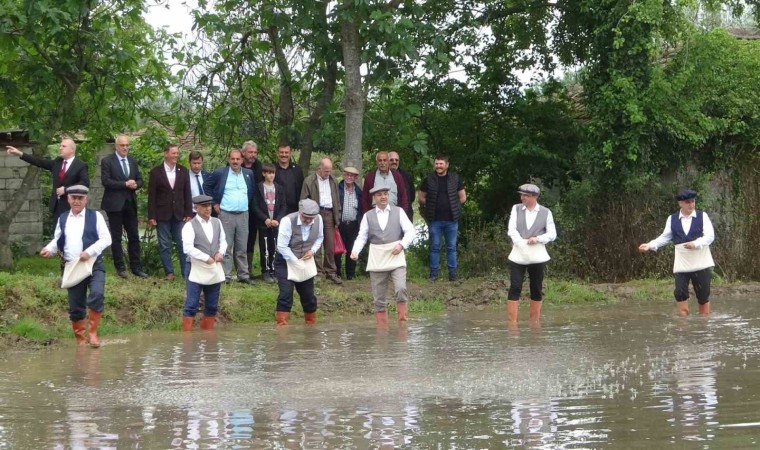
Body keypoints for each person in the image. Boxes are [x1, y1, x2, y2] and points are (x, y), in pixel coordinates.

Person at [39, 185, 111, 347]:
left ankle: (92, 333)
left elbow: (106, 239)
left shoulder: (96, 216)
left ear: (86, 200)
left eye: (80, 198)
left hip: (94, 265)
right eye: (74, 198)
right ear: (68, 199)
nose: (77, 201)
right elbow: (58, 241)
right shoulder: (63, 218)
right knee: (76, 306)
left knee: (97, 294)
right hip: (72, 267)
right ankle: (81, 340)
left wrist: (90, 251)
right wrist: (48, 249)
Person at [638, 189, 715, 316]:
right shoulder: (672, 219)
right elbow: (665, 237)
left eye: (693, 201)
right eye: (687, 202)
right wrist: (650, 245)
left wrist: (695, 243)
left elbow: (710, 236)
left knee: (703, 296)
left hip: (701, 263)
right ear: (680, 203)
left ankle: (704, 327)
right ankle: (683, 327)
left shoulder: (703, 216)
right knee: (680, 293)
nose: (691, 204)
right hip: (682, 264)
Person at [351, 186, 416, 325]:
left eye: (385, 194)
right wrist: (355, 251)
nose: (383, 197)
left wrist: (401, 245)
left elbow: (410, 231)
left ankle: (403, 324)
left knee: (401, 288)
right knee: (378, 297)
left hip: (396, 256)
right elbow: (362, 237)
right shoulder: (367, 216)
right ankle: (382, 331)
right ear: (374, 198)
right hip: (377, 259)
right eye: (380, 195)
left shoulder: (399, 212)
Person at [6, 138, 90, 227]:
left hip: (73, 206)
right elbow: (39, 162)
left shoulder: (80, 165)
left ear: (72, 150)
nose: (60, 148)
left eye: (63, 146)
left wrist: (66, 190)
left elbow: (85, 183)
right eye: (60, 146)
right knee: (57, 234)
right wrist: (20, 153)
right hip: (57, 206)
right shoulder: (58, 162)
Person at [506, 183, 557, 323]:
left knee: (536, 288)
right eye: (521, 195)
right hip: (518, 253)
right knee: (515, 286)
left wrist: (538, 239)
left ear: (535, 197)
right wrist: (521, 243)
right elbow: (512, 229)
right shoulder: (516, 209)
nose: (522, 197)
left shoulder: (546, 212)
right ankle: (512, 324)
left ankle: (534, 323)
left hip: (537, 255)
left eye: (525, 195)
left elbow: (552, 234)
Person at [205, 149, 256, 285]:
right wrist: (214, 203)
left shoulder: (248, 174)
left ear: (242, 160)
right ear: (229, 160)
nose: (235, 161)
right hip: (226, 213)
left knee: (242, 246)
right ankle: (225, 275)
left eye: (238, 159)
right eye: (232, 159)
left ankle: (243, 275)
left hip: (243, 214)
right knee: (226, 246)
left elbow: (251, 191)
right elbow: (207, 186)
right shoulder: (220, 173)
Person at [100, 135, 147, 278]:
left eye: (127, 145)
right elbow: (106, 181)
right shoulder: (107, 161)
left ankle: (136, 267)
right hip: (114, 204)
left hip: (130, 203)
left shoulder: (132, 161)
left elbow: (140, 180)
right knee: (116, 237)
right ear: (116, 146)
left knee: (134, 236)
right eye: (122, 145)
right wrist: (125, 184)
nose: (125, 148)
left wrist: (136, 184)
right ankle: (120, 267)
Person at [275, 199, 324, 326]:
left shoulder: (318, 219)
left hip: (305, 261)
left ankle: (310, 325)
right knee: (286, 294)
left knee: (308, 297)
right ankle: (282, 326)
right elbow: (282, 246)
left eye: (310, 218)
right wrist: (295, 261)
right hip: (285, 261)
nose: (308, 220)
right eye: (305, 217)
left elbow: (320, 237)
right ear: (299, 212)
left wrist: (312, 251)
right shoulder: (287, 221)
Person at [181, 195, 227, 331]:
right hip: (195, 266)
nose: (208, 208)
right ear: (196, 208)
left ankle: (208, 338)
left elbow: (223, 240)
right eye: (204, 206)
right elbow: (187, 248)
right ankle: (187, 339)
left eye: (209, 205)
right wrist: (205, 257)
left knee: (212, 305)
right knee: (192, 305)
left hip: (213, 267)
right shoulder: (189, 226)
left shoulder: (217, 222)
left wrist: (221, 253)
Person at [147, 144, 193, 280]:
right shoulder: (156, 172)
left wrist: (188, 213)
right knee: (164, 244)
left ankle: (186, 273)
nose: (176, 156)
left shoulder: (183, 171)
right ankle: (169, 272)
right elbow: (152, 195)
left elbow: (187, 193)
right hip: (162, 214)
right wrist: (152, 216)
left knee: (182, 243)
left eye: (177, 153)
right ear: (166, 154)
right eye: (173, 153)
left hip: (179, 214)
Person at [418, 154, 467, 281]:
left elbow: (462, 197)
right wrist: (429, 206)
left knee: (451, 247)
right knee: (434, 247)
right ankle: (433, 275)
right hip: (435, 220)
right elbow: (421, 197)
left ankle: (453, 275)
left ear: (447, 165)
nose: (438, 166)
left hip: (452, 220)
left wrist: (454, 206)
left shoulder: (455, 178)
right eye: (436, 164)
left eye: (441, 164)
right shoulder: (428, 179)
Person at [301, 157, 343, 285]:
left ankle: (330, 271)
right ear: (319, 169)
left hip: (330, 213)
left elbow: (336, 199)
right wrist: (307, 216)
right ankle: (318, 272)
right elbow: (303, 200)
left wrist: (337, 216)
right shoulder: (309, 181)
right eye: (326, 171)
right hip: (315, 214)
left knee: (330, 245)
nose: (328, 173)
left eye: (330, 171)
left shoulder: (333, 180)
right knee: (316, 245)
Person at [253, 163, 287, 283]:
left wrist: (278, 219)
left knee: (275, 247)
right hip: (264, 224)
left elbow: (283, 206)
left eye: (273, 173)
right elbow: (255, 206)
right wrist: (265, 219)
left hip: (276, 223)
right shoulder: (258, 187)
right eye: (268, 173)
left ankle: (275, 270)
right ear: (263, 174)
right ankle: (265, 271)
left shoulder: (279, 188)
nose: (271, 175)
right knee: (265, 248)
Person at [337, 166, 362, 280]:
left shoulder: (358, 191)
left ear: (355, 177)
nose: (349, 177)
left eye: (352, 175)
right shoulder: (337, 189)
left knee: (352, 249)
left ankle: (350, 274)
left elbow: (361, 209)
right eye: (347, 174)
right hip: (340, 223)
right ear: (344, 175)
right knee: (337, 249)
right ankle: (337, 273)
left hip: (353, 224)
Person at [242, 141, 264, 271]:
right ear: (244, 152)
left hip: (255, 208)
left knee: (252, 236)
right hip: (239, 206)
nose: (253, 155)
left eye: (255, 152)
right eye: (250, 152)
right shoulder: (236, 164)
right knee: (240, 238)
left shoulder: (259, 167)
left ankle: (249, 267)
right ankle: (241, 267)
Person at [274, 144, 304, 214]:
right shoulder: (272, 169)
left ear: (290, 153)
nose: (284, 155)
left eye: (286, 152)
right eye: (281, 152)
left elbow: (302, 189)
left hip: (295, 210)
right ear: (277, 153)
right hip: (277, 211)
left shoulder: (297, 170)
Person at [388, 151, 415, 221]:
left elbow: (412, 196)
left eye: (396, 160)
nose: (394, 162)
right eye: (391, 160)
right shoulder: (379, 176)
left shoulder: (407, 176)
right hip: (387, 215)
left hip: (405, 214)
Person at [187, 151, 212, 215]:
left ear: (202, 163)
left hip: (207, 212)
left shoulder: (208, 176)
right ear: (189, 163)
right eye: (194, 163)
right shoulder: (184, 177)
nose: (196, 166)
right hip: (192, 213)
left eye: (199, 163)